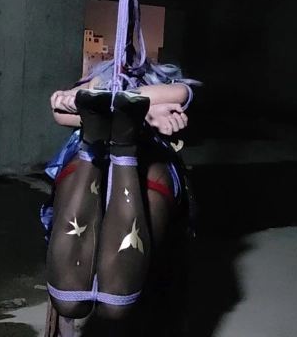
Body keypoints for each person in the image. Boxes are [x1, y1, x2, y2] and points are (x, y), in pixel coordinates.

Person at [41, 59, 199, 337]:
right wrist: (150, 114)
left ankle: (104, 141)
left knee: (75, 303)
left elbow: (183, 94)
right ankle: (117, 141)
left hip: (141, 148)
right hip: (129, 143)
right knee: (94, 304)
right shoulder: (101, 77)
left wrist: (127, 109)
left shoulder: (167, 81)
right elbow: (63, 109)